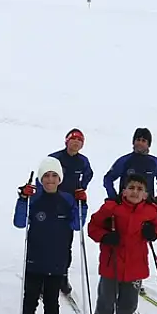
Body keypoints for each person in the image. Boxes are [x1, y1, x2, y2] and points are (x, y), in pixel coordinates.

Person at [13, 158, 81, 314]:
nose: (50, 179)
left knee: (52, 301)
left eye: (54, 176)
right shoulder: (35, 198)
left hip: (57, 259)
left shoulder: (67, 199)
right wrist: (22, 199)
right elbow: (19, 221)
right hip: (36, 257)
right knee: (31, 298)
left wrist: (82, 204)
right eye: (46, 176)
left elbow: (77, 224)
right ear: (41, 179)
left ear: (60, 178)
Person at [87, 173, 157, 314]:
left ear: (145, 194)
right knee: (106, 299)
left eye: (139, 189)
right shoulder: (111, 208)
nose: (135, 192)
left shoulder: (150, 211)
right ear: (124, 191)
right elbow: (93, 227)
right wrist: (105, 236)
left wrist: (152, 232)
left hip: (136, 265)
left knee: (129, 303)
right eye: (131, 188)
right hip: (111, 263)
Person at [48, 127, 94, 298]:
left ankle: (62, 274)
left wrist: (82, 189)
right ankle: (43, 274)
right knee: (47, 240)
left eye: (79, 140)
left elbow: (88, 175)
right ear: (67, 141)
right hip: (52, 202)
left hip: (70, 205)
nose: (76, 143)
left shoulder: (83, 161)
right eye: (73, 139)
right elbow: (43, 175)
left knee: (65, 242)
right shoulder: (55, 158)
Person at [104, 127, 157, 206]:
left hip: (147, 205)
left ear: (148, 144)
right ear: (133, 142)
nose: (140, 143)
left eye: (143, 141)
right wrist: (113, 196)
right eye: (138, 140)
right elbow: (108, 178)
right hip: (126, 205)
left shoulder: (154, 162)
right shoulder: (125, 160)